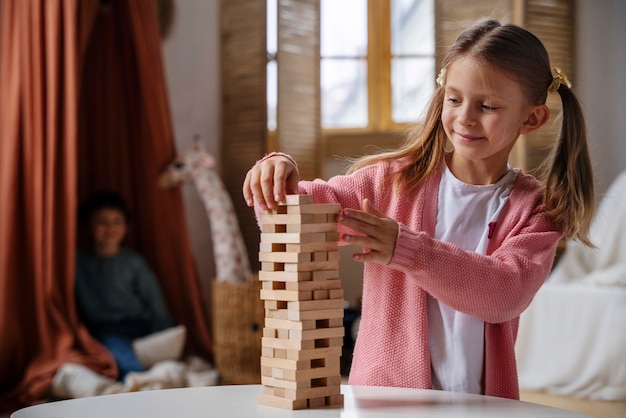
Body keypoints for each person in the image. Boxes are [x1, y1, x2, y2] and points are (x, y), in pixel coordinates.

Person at [242, 19, 595, 400]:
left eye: (488, 105)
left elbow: (504, 294)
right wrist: (275, 171)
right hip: (385, 401)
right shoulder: (389, 184)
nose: (465, 117)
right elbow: (293, 214)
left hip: (481, 405)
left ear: (531, 118)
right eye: (455, 99)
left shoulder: (537, 210)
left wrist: (405, 250)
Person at [75, 191, 174, 381]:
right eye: (102, 222)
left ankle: (139, 376)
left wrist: (163, 328)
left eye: (117, 221)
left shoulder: (133, 261)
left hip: (138, 322)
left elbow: (153, 297)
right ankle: (136, 377)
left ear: (126, 227)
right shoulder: (79, 262)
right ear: (89, 227)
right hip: (105, 328)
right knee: (114, 344)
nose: (110, 227)